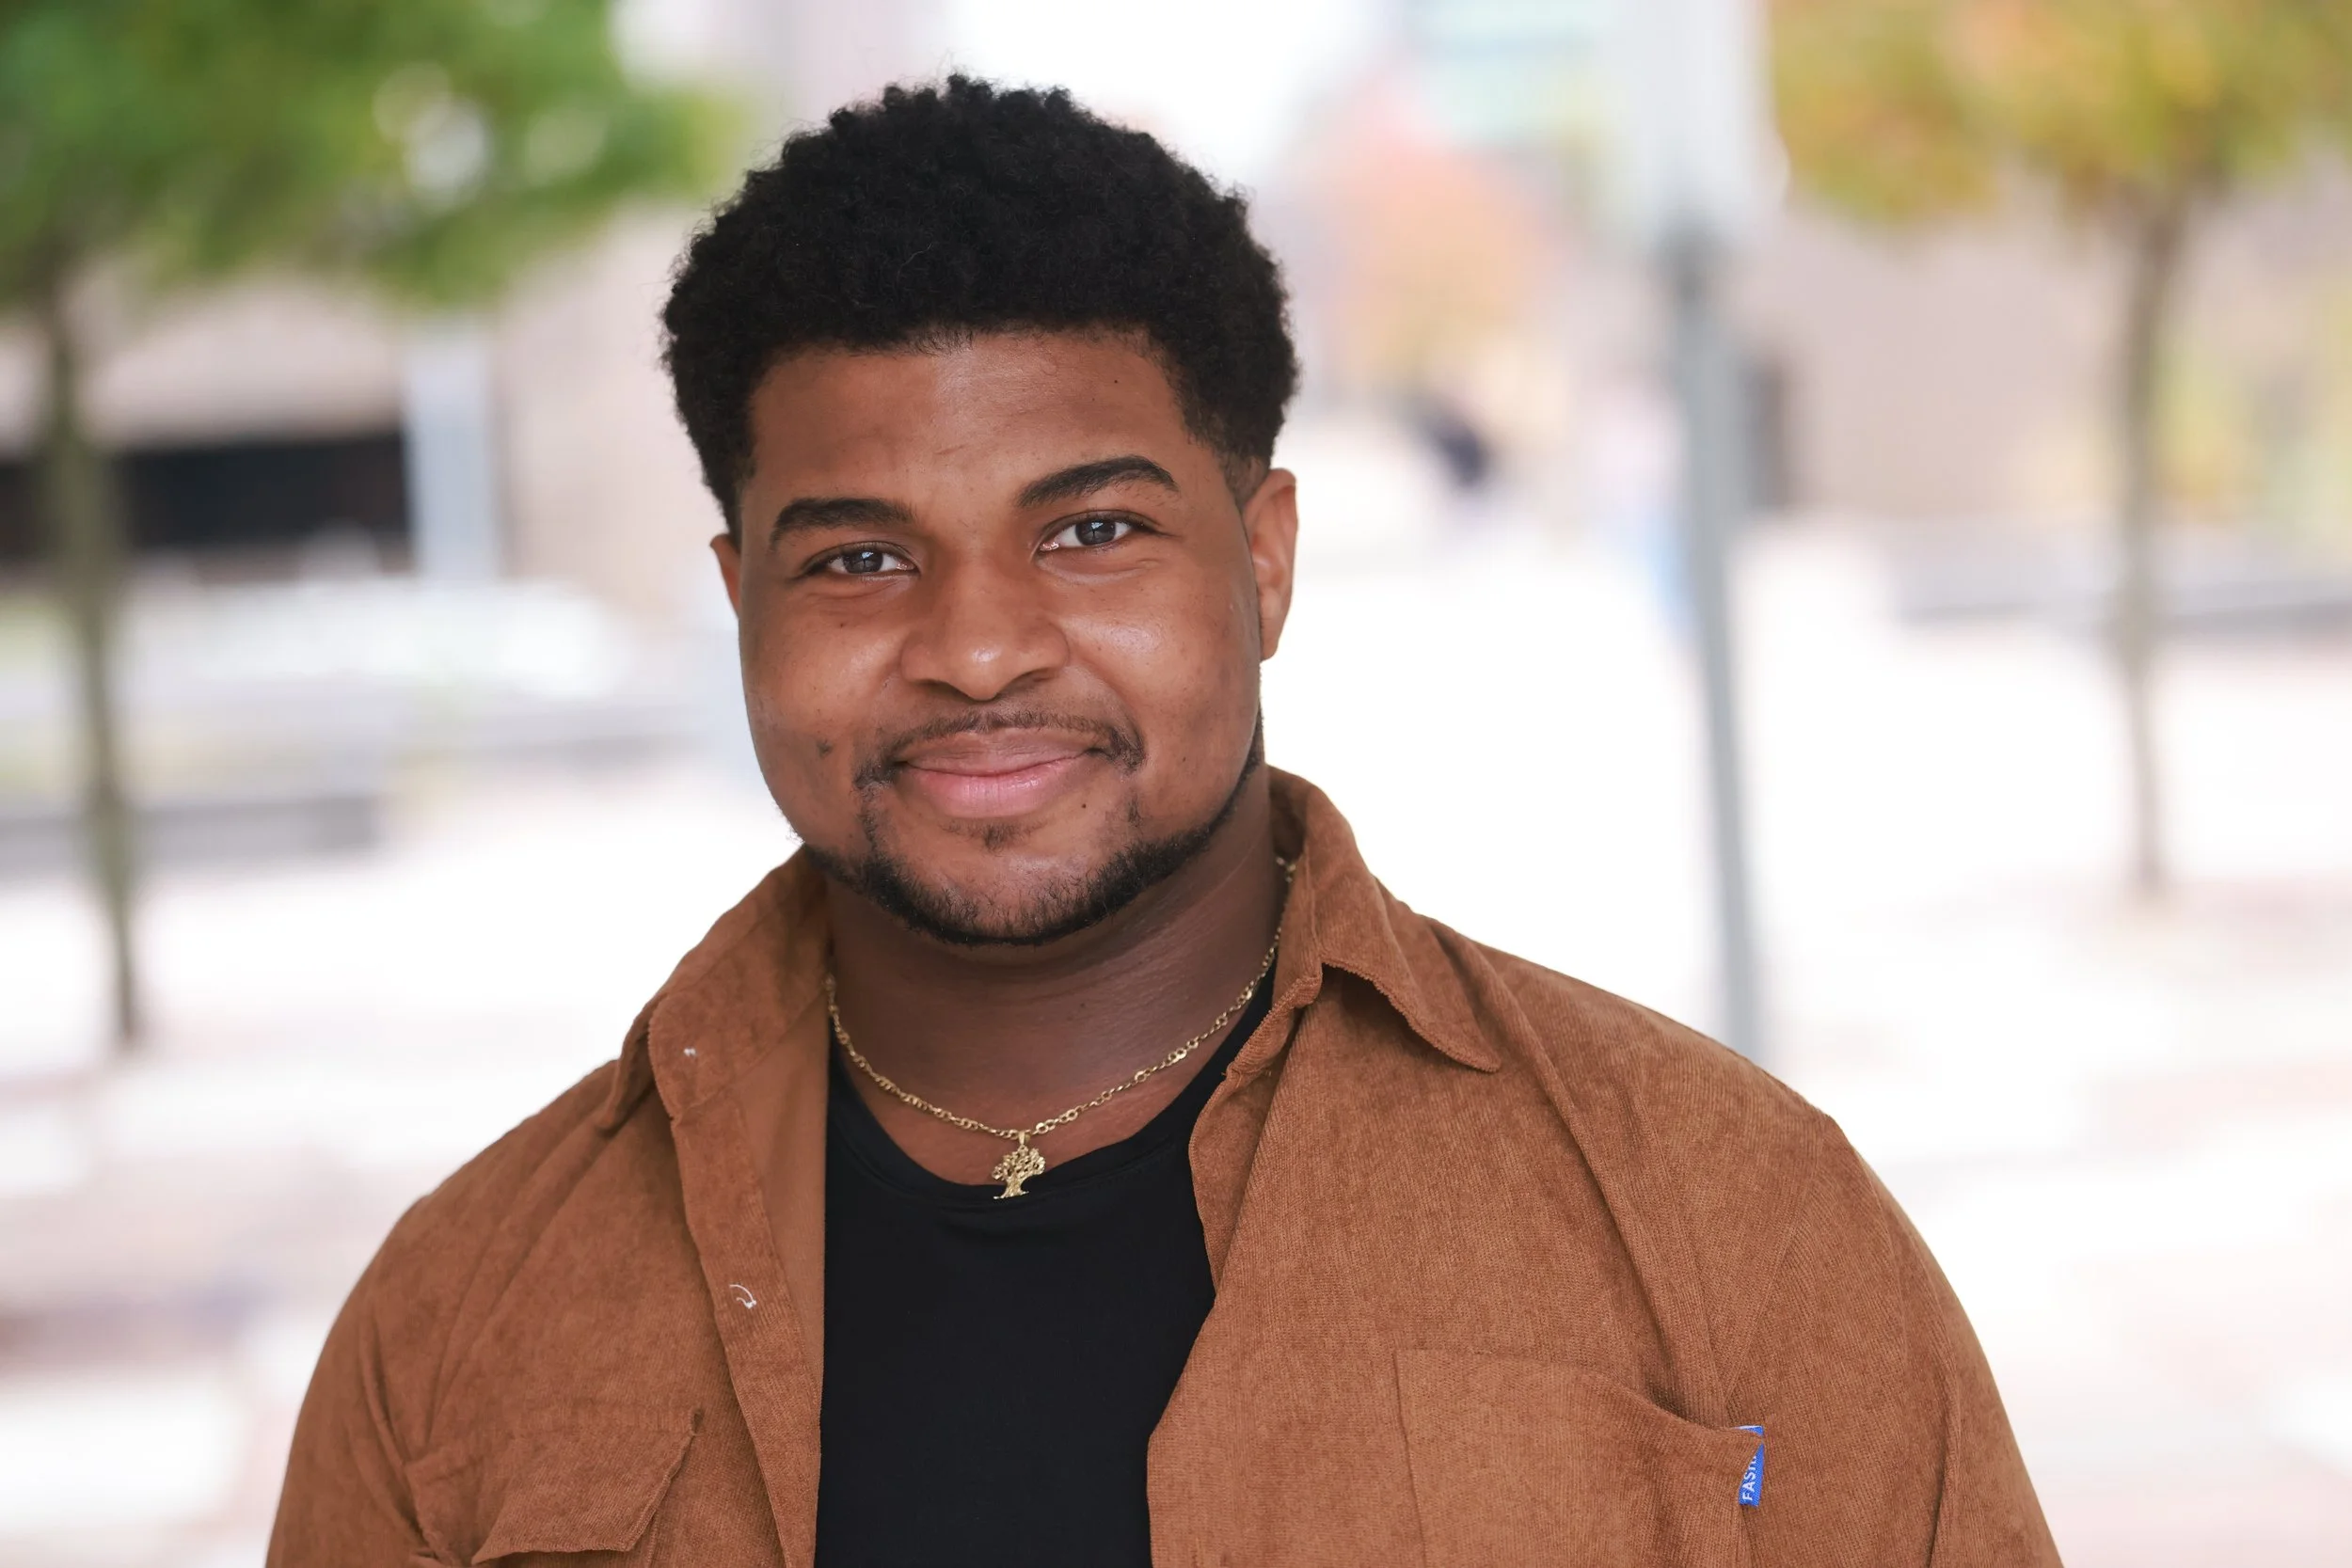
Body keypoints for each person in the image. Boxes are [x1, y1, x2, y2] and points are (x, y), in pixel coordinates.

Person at [268, 77, 2058, 1568]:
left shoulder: (1723, 1211)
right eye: (861, 556)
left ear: (1262, 559)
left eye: (1093, 530)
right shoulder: (464, 1318)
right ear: (742, 595)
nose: (976, 647)